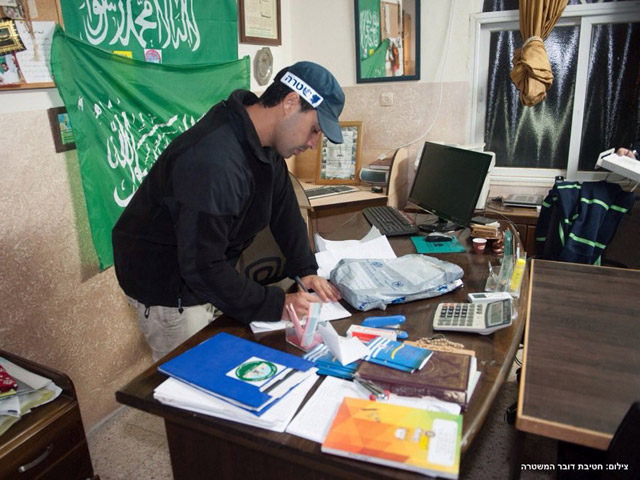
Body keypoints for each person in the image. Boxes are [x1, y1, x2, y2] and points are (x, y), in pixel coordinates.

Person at [112, 61, 343, 360]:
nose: (313, 143)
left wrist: (305, 270)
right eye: (314, 129)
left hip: (204, 270)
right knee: (195, 384)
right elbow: (202, 267)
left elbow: (284, 209)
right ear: (290, 102)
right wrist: (279, 304)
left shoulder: (263, 141)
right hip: (170, 287)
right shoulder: (214, 160)